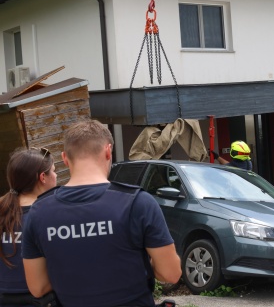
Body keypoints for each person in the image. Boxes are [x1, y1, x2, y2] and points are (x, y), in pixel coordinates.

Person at [22, 120, 182, 307]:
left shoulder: (39, 211)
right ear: (108, 151)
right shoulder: (138, 202)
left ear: (65, 158)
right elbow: (171, 273)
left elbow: (38, 287)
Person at [0, 148, 57, 306]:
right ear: (42, 177)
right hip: (40, 299)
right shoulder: (48, 216)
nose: (57, 175)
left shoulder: (3, 210)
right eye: (53, 171)